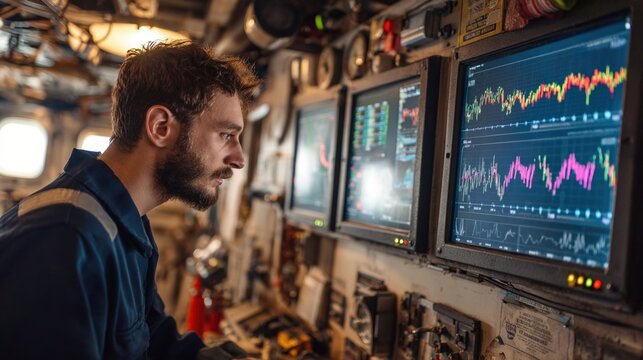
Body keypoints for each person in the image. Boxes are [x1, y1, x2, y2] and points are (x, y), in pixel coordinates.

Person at [0, 40, 260, 359]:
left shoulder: (127, 221)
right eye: (226, 136)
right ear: (161, 127)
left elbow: (150, 336)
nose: (238, 158)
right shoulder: (65, 237)